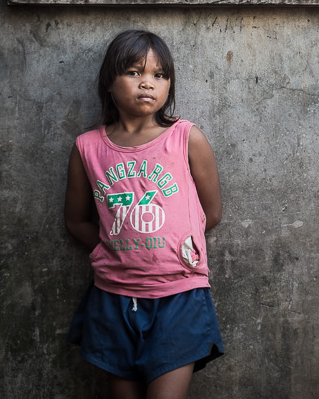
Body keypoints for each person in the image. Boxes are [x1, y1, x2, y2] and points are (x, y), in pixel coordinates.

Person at [65, 30, 224, 399]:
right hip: (112, 296)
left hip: (180, 295)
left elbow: (210, 212)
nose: (147, 83)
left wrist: (168, 245)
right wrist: (114, 246)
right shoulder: (87, 148)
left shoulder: (186, 138)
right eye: (134, 72)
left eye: (159, 75)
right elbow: (76, 221)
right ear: (109, 82)